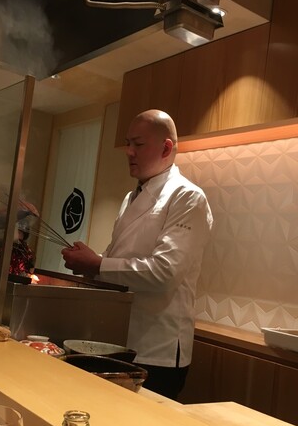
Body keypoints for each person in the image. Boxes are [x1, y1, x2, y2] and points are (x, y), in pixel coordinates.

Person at [61, 109, 213, 400]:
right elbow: (118, 254)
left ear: (166, 148)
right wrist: (90, 264)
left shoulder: (187, 196)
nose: (129, 152)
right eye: (128, 143)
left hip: (158, 349)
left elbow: (164, 273)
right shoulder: (131, 197)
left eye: (138, 144)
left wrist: (98, 264)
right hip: (121, 339)